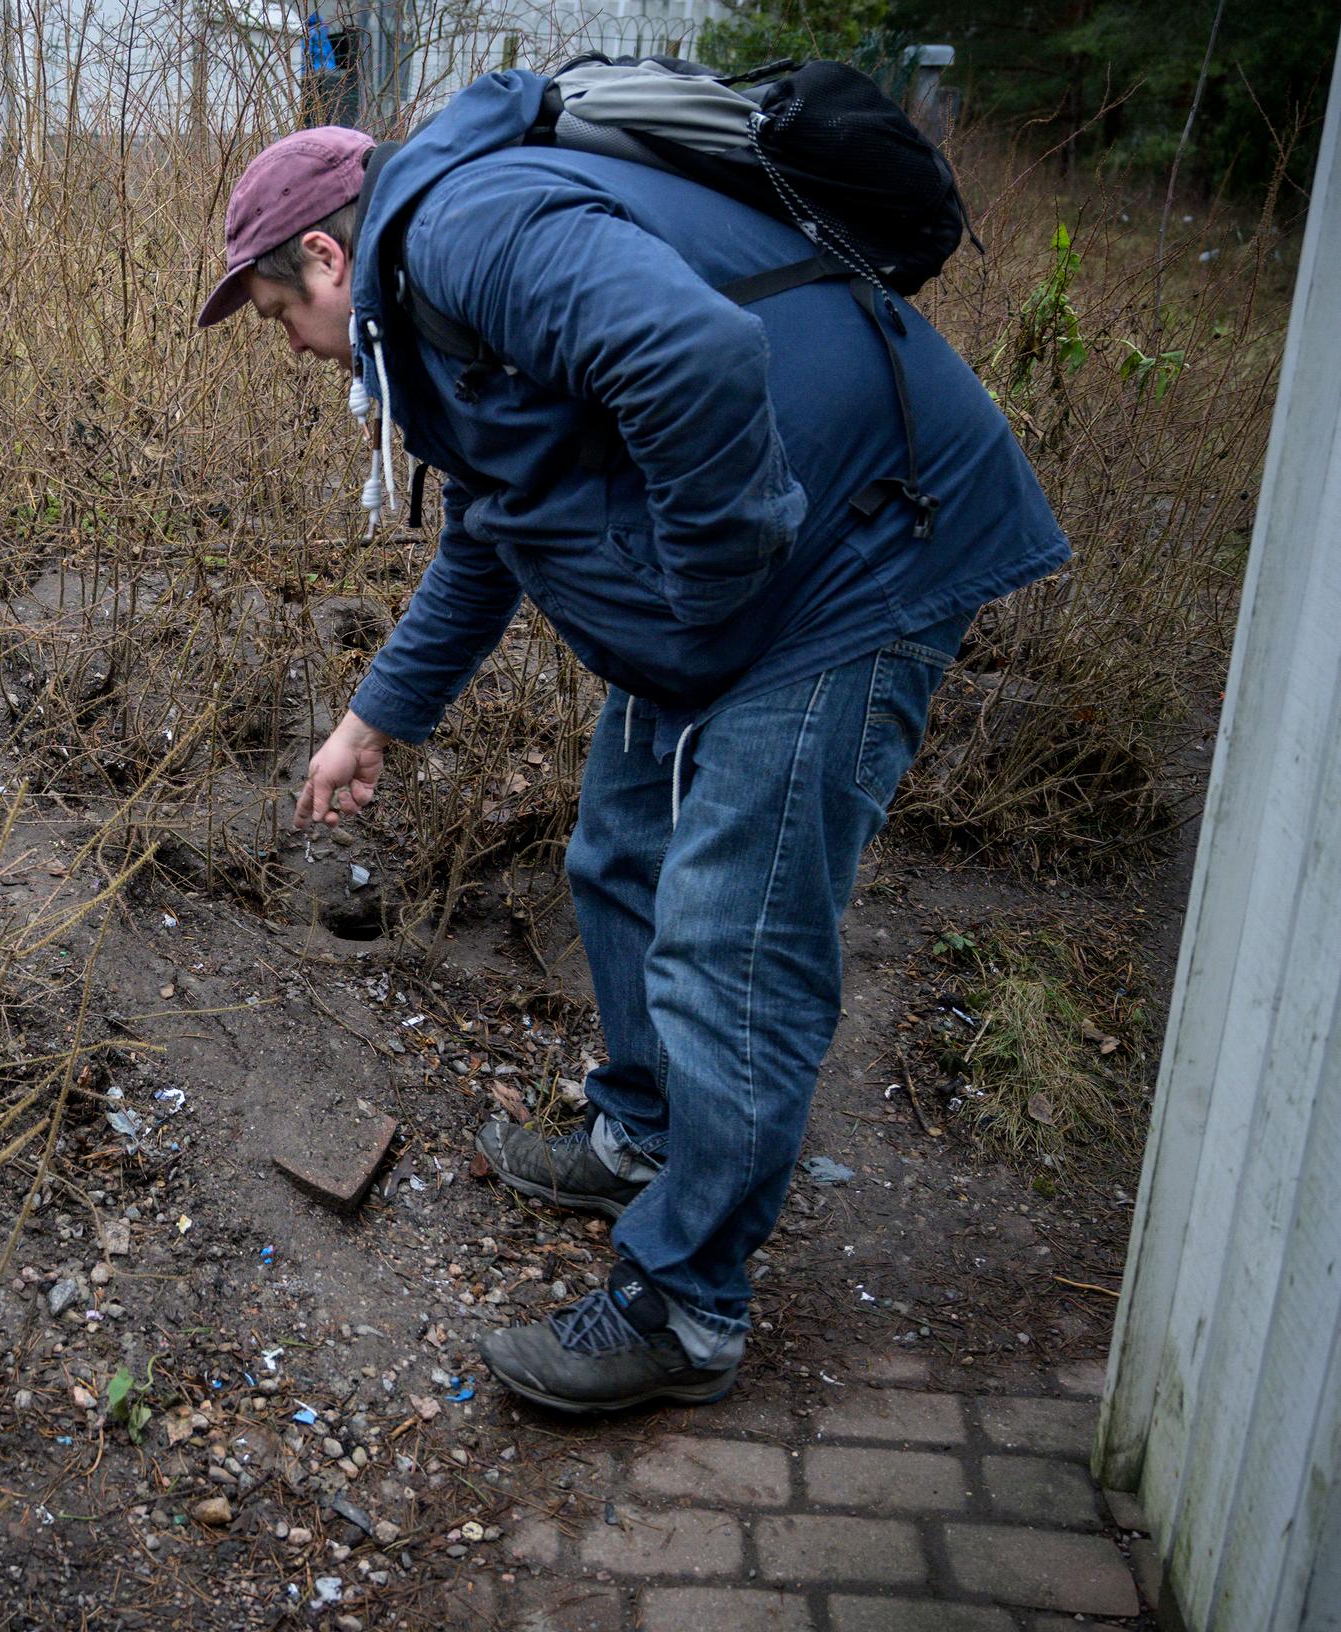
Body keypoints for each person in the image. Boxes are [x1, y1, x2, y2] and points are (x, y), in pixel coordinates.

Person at [196, 80, 1067, 1413]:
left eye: (280, 318)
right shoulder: (435, 305)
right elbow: (494, 528)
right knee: (618, 852)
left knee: (734, 948)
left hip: (849, 566)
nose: (299, 350)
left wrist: (705, 606)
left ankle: (686, 1307)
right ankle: (649, 1133)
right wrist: (370, 721)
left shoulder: (467, 230)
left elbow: (695, 359)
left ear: (322, 253)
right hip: (745, 594)